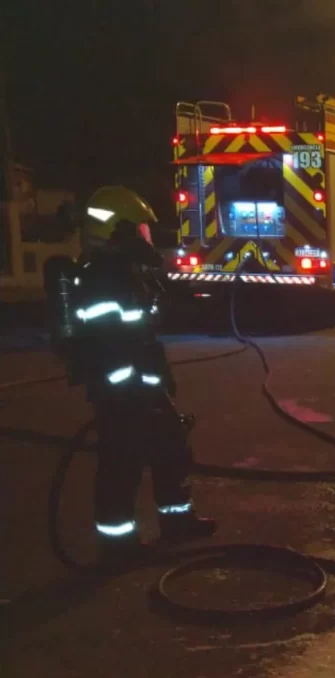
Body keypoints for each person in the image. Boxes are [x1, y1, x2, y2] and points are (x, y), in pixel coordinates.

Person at [52, 186, 216, 562]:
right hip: (121, 393)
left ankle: (177, 521)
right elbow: (110, 345)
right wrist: (130, 391)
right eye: (140, 230)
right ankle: (118, 546)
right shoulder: (100, 279)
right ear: (118, 230)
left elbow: (140, 330)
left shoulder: (123, 274)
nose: (146, 237)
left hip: (142, 387)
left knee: (171, 451)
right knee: (120, 467)